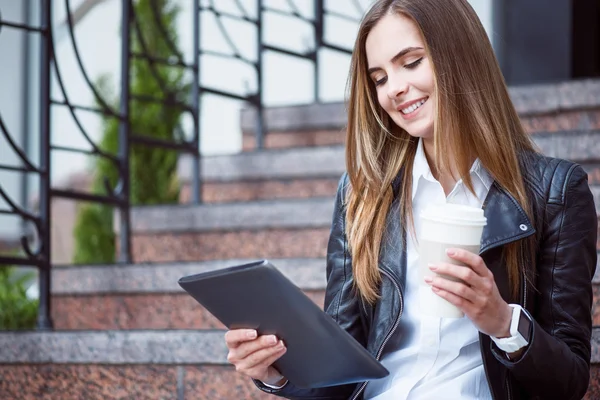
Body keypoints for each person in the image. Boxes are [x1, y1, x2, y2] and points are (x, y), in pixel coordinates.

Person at [223, 0, 598, 398]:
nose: (394, 90)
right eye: (380, 78)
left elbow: (569, 382)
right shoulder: (363, 196)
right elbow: (337, 376)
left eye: (412, 62)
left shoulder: (557, 192)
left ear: (459, 54)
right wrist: (275, 372)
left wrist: (503, 321)